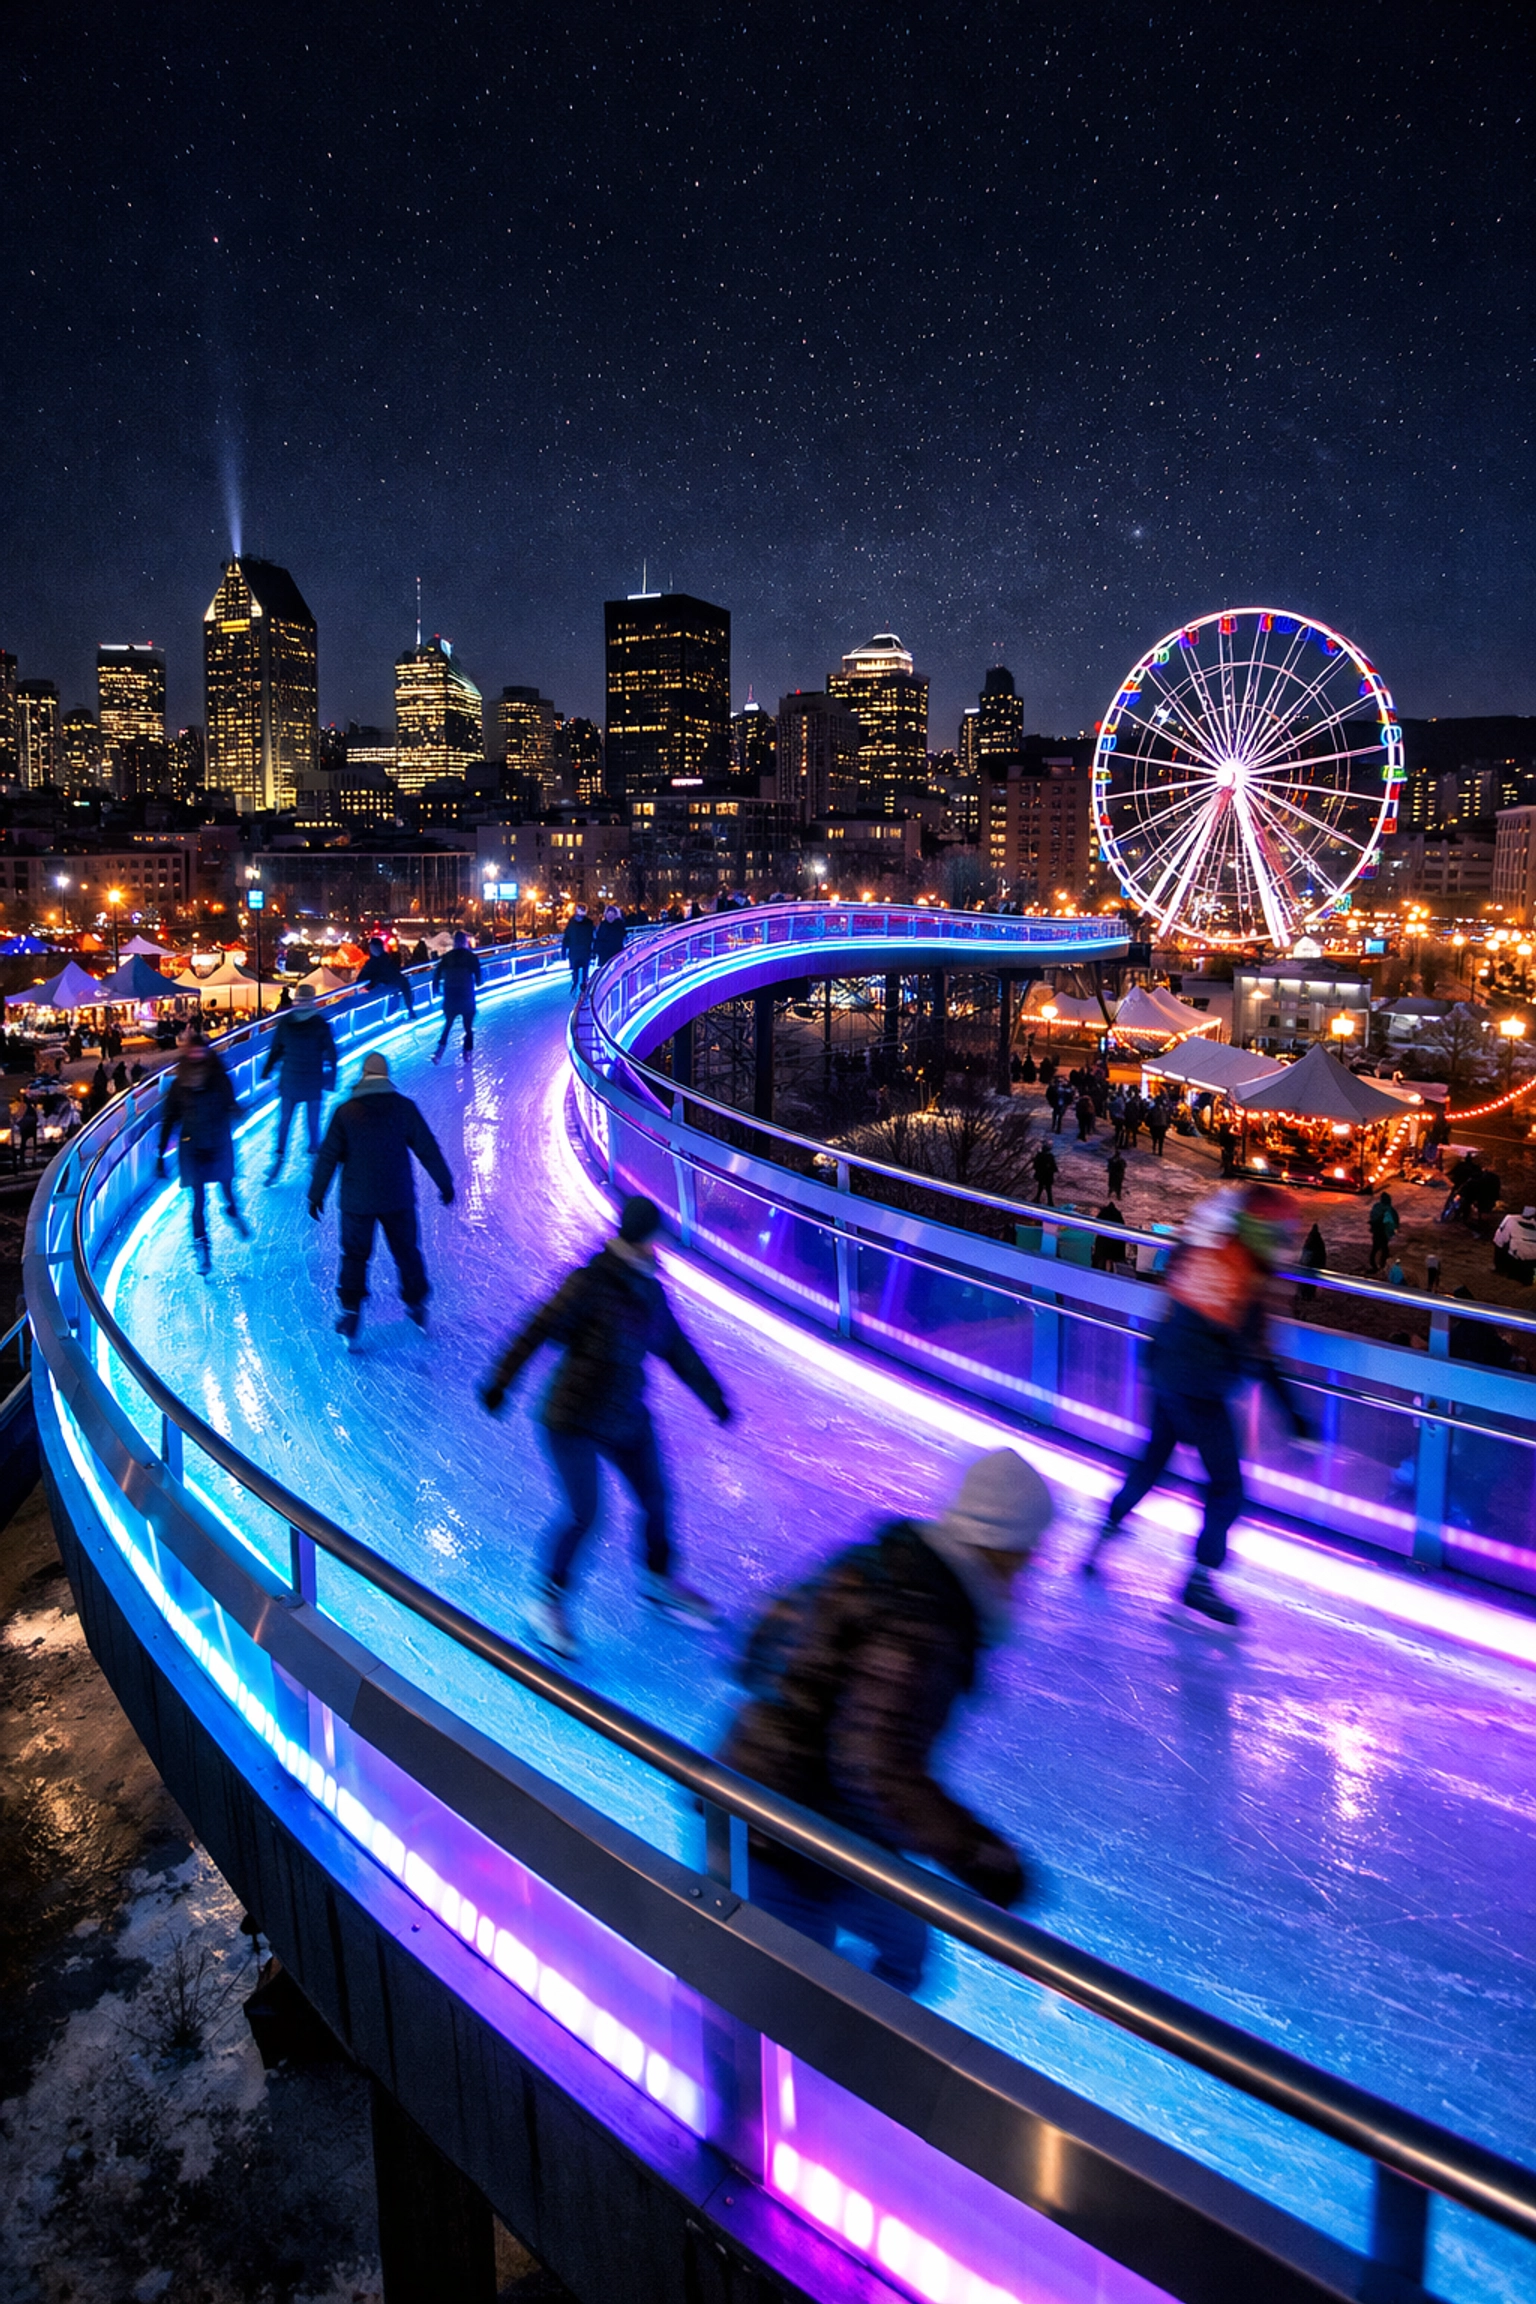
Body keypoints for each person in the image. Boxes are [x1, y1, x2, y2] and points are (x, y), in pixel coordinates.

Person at [719, 1449, 1047, 1993]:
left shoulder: (884, 1563)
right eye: (1030, 1549)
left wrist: (793, 1698)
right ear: (1007, 1546)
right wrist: (984, 1859)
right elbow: (878, 1766)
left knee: (905, 1948)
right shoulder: (927, 1622)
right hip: (778, 1834)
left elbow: (762, 1638)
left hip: (817, 1818)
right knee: (785, 1999)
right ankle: (818, 2039)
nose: (1032, 1563)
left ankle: (837, 2030)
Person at [478, 1194, 731, 1658]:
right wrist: (501, 1381)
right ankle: (546, 1601)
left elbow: (676, 1348)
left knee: (656, 1496)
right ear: (640, 1238)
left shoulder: (651, 1290)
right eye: (655, 1238)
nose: (659, 1247)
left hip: (626, 1414)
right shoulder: (589, 1284)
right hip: (572, 1417)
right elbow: (538, 1327)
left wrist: (713, 1395)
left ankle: (657, 1580)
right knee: (585, 1514)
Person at [1084, 1183, 1316, 1625]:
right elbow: (1261, 1357)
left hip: (1167, 1371)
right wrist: (1297, 1419)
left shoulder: (1204, 1247)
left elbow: (1172, 1301)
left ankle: (1100, 1541)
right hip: (1201, 1388)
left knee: (1152, 1462)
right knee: (1227, 1488)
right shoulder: (1246, 1273)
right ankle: (1200, 1581)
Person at [308, 1049, 454, 1346]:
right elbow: (427, 1148)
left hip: (357, 1202)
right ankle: (416, 1305)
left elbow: (327, 1158)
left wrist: (316, 1195)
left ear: (363, 1077)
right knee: (406, 1252)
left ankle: (350, 1313)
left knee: (354, 1256)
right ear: (387, 1077)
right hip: (397, 1198)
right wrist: (445, 1182)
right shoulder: (404, 1108)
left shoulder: (344, 1112)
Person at [155, 1030, 248, 1277]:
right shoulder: (179, 1085)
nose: (196, 1054)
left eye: (200, 1050)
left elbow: (231, 1102)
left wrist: (237, 1111)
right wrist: (160, 1156)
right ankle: (202, 1250)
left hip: (218, 1142)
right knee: (198, 1203)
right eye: (192, 1050)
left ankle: (232, 1210)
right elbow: (169, 1118)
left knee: (226, 1187)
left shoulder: (219, 1078)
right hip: (192, 1147)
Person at [261, 980, 339, 1183]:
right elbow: (331, 1054)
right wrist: (331, 1079)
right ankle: (314, 1156)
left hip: (291, 1080)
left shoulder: (286, 1022)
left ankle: (279, 1158)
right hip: (312, 1080)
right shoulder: (320, 1024)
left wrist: (267, 1070)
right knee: (312, 1122)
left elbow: (276, 1049)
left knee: (285, 1121)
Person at [431, 930, 482, 1062]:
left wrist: (436, 988)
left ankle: (439, 1051)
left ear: (454, 942)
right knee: (468, 1027)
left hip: (451, 997)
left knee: (448, 1024)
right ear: (465, 942)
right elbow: (479, 979)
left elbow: (437, 974)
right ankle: (467, 1052)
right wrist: (476, 981)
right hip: (466, 997)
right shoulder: (471, 957)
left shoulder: (447, 957)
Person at [356, 935, 416, 1020]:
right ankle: (407, 1011)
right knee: (403, 984)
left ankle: (399, 1013)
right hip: (389, 985)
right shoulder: (384, 960)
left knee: (400, 986)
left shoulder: (376, 962)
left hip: (386, 986)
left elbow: (360, 979)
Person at [1493, 1204, 1536, 1285]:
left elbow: (1501, 1238)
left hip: (1519, 1253)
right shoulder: (1513, 1220)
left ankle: (1502, 1269)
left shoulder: (1510, 1219)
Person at [561, 905, 596, 997]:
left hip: (583, 952)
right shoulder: (572, 923)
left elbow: (592, 938)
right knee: (576, 971)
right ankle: (577, 987)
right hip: (577, 952)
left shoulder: (587, 923)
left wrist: (593, 951)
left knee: (584, 972)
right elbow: (567, 938)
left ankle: (582, 989)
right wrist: (564, 952)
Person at [1294, 1219, 1327, 1310]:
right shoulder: (1319, 1243)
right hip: (1313, 1266)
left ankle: (1306, 1295)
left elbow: (1305, 1254)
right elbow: (1321, 1256)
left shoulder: (1310, 1242)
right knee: (1310, 1283)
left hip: (1309, 1265)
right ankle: (1308, 1295)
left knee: (1307, 1283)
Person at [593, 905, 626, 971]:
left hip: (616, 953)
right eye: (609, 914)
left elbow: (622, 937)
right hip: (604, 955)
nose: (610, 917)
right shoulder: (603, 925)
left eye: (612, 914)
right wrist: (597, 950)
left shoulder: (619, 925)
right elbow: (599, 938)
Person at [1030, 1143, 1058, 1208]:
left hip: (1042, 1175)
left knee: (1041, 1187)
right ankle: (1049, 1201)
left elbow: (1035, 1165)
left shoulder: (1040, 1156)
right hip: (1047, 1175)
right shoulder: (1049, 1156)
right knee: (1047, 1188)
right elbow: (1053, 1167)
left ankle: (1040, 1199)